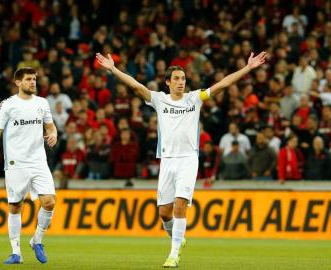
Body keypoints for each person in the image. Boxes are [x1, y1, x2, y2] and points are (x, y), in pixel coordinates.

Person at [96, 50, 266, 268]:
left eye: (183, 79)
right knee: (164, 212)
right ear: (167, 82)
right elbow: (136, 86)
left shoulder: (195, 98)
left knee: (179, 205)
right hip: (167, 159)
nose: (180, 82)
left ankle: (174, 254)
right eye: (176, 78)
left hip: (188, 159)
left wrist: (248, 68)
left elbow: (222, 85)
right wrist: (113, 69)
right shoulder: (158, 99)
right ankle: (177, 240)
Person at [0, 67, 57, 264]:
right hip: (16, 163)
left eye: (34, 79)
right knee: (15, 206)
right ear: (18, 83)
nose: (33, 82)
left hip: (39, 161)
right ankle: (16, 253)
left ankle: (36, 240)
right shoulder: (7, 105)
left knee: (49, 201)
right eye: (29, 79)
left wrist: (54, 133)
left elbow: (50, 126)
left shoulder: (42, 103)